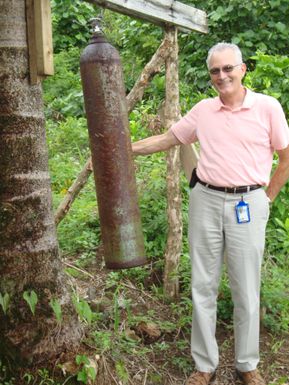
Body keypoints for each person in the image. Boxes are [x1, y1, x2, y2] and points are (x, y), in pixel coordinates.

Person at [132, 42, 289, 385]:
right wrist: (125, 148)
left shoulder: (267, 108)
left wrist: (267, 199)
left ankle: (247, 365)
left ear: (243, 69)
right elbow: (167, 139)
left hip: (248, 204)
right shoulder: (203, 110)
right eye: (215, 71)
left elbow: (286, 158)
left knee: (246, 288)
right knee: (203, 285)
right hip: (205, 201)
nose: (222, 75)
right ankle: (205, 366)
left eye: (228, 68)